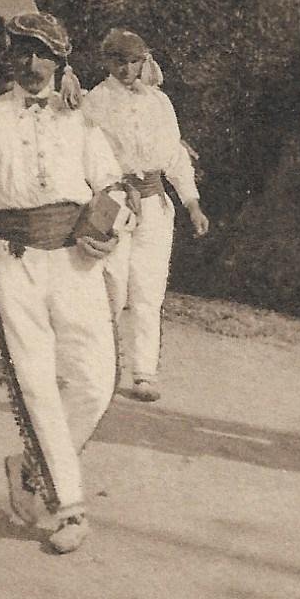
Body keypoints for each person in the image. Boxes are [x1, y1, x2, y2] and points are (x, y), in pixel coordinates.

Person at [0, 12, 130, 555]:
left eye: (43, 53)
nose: (32, 62)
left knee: (96, 382)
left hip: (76, 263)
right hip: (12, 264)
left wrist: (107, 228)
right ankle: (69, 506)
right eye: (22, 50)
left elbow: (113, 184)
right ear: (9, 56)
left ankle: (29, 466)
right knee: (36, 385)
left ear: (60, 61)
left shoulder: (81, 118)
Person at [82, 29, 211, 402]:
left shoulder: (159, 102)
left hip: (155, 202)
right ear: (107, 61)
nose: (126, 69)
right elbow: (87, 154)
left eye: (133, 61)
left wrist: (192, 203)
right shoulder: (95, 100)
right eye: (118, 61)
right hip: (112, 200)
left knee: (148, 289)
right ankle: (99, 369)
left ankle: (144, 372)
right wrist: (111, 190)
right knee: (109, 285)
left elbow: (175, 157)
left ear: (144, 62)